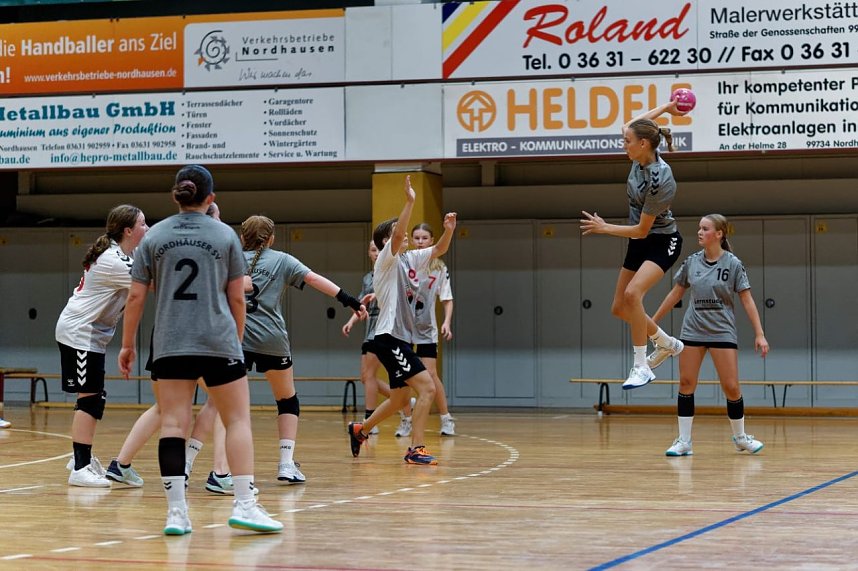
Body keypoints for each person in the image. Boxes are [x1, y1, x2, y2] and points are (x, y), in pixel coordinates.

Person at [118, 165, 282, 535]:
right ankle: (245, 504)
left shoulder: (154, 237)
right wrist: (235, 340)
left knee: (173, 423)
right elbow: (237, 295)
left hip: (171, 342)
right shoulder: (224, 235)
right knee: (237, 419)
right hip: (217, 340)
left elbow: (136, 294)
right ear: (210, 198)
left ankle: (177, 513)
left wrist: (128, 344)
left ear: (177, 195)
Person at [106, 203, 235, 495]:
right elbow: (235, 292)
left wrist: (128, 344)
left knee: (165, 409)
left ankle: (121, 463)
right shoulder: (217, 242)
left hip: (166, 335)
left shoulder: (164, 241)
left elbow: (143, 291)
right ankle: (220, 473)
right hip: (198, 337)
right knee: (224, 402)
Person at [240, 215, 366, 484]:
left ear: (243, 237)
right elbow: (314, 279)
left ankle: (219, 470)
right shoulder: (282, 260)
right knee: (287, 400)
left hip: (236, 339)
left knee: (227, 405)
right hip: (271, 340)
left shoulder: (230, 259)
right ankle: (286, 464)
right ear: (271, 238)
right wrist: (350, 301)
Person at [347, 175, 457, 465]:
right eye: (399, 231)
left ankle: (361, 429)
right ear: (386, 241)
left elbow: (438, 250)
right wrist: (410, 201)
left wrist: (448, 231)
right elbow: (397, 237)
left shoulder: (410, 259)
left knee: (398, 399)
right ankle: (416, 448)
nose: (405, 234)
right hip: (389, 337)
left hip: (398, 339)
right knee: (428, 388)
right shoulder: (387, 258)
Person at [580, 100, 687, 390]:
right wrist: (665, 107)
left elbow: (642, 230)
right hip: (640, 241)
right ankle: (666, 343)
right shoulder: (640, 155)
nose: (623, 144)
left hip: (662, 241)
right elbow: (631, 125)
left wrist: (603, 228)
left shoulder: (660, 179)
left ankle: (641, 366)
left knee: (633, 294)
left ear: (642, 144)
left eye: (627, 142)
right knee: (619, 307)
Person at [651, 214, 769, 456]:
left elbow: (747, 300)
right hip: (692, 330)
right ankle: (684, 441)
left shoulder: (734, 264)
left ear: (719, 234)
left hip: (722, 331)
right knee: (686, 384)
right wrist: (652, 321)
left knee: (731, 387)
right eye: (699, 228)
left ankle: (740, 437)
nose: (699, 232)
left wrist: (760, 333)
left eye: (705, 229)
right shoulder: (691, 262)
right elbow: (675, 294)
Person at [55, 204, 148, 487]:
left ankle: (79, 457)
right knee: (91, 398)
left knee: (93, 396)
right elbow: (149, 284)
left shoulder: (120, 254)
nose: (148, 229)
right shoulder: (114, 261)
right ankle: (80, 467)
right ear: (129, 230)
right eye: (143, 224)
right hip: (79, 334)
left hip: (88, 335)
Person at [409, 222, 456, 436]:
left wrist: (446, 322)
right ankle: (406, 419)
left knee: (430, 374)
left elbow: (447, 299)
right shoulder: (405, 262)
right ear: (411, 240)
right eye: (416, 238)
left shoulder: (439, 268)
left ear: (431, 240)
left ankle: (446, 418)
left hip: (427, 329)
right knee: (403, 375)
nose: (420, 242)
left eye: (424, 238)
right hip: (405, 328)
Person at [342, 240, 390, 435]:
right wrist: (351, 321)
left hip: (384, 328)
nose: (377, 253)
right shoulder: (367, 278)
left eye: (380, 249)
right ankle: (404, 402)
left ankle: (370, 419)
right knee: (366, 377)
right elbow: (361, 305)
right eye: (373, 250)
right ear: (369, 254)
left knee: (369, 375)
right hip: (370, 328)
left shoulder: (391, 273)